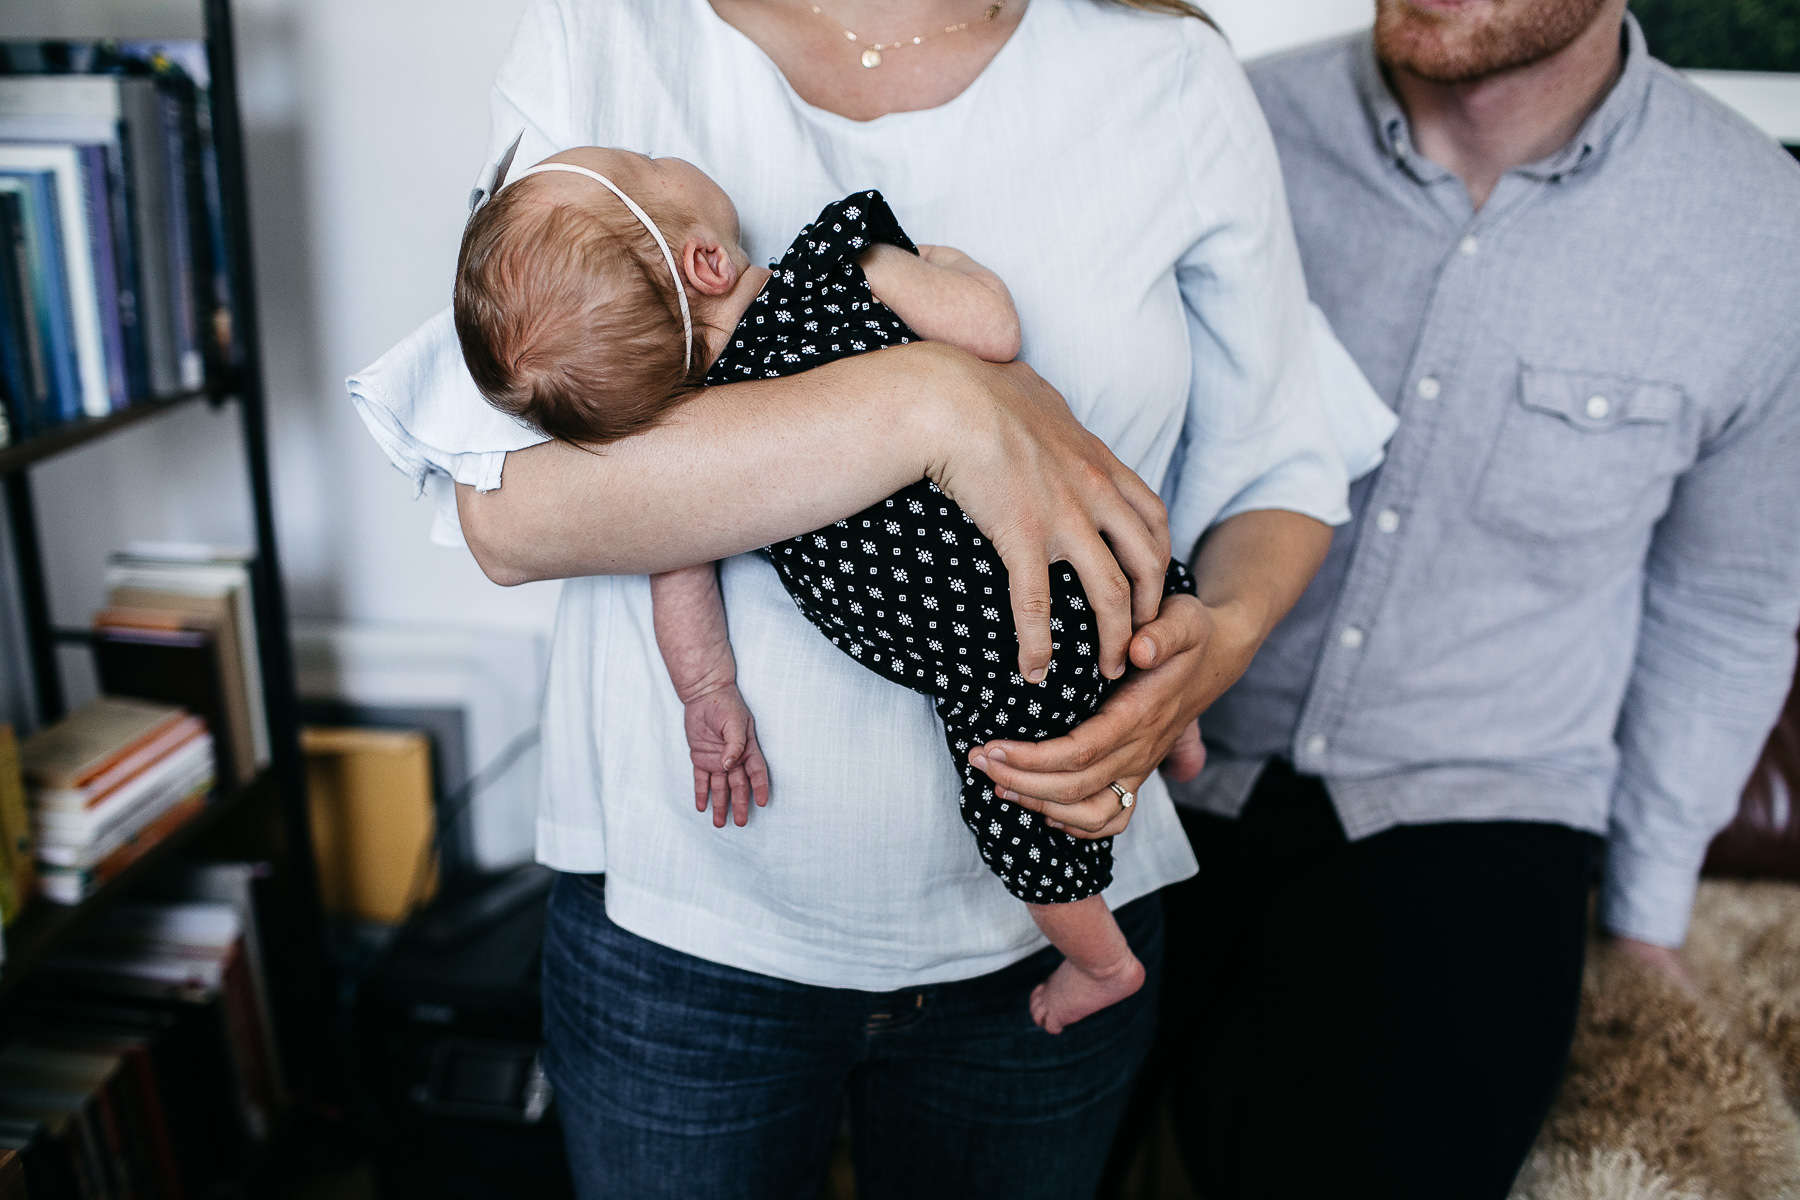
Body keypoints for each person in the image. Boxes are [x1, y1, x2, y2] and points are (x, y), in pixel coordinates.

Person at [347, 0, 1394, 1194]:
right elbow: (509, 502)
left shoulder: (1166, 73)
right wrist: (936, 404)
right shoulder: (608, 37)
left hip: (1030, 935)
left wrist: (1218, 645)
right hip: (689, 939)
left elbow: (1279, 461)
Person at [1095, 1, 1800, 1197]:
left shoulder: (1761, 233)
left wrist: (1644, 920)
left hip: (1483, 807)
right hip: (1167, 751)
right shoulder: (1219, 125)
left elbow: (1727, 598)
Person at [453, 151, 1204, 1033]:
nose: (662, 148)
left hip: (984, 667)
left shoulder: (696, 450)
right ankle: (1173, 754)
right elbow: (992, 329)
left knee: (1022, 820)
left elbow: (680, 588)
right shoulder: (835, 266)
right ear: (707, 261)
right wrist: (950, 267)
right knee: (1149, 623)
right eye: (647, 160)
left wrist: (708, 697)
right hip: (1080, 559)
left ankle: (1098, 959)